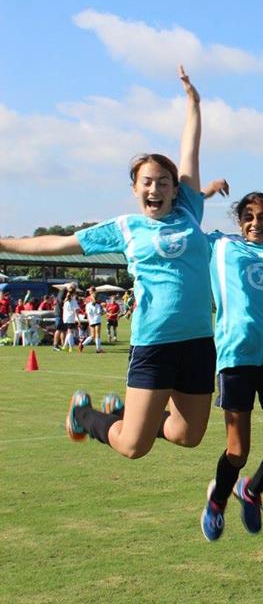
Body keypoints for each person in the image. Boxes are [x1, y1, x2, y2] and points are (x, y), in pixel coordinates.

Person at [0, 66, 217, 461]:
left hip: (199, 341)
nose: (155, 188)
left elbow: (190, 151)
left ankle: (126, 414)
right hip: (155, 342)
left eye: (163, 182)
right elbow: (57, 244)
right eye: (147, 182)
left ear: (174, 188)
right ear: (135, 188)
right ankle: (85, 414)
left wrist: (193, 103)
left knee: (188, 435)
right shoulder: (124, 228)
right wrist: (3, 242)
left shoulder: (189, 210)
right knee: (134, 446)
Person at [198, 183, 263, 542]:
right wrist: (205, 192)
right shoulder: (220, 245)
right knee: (237, 450)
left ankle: (252, 490)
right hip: (235, 358)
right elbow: (182, 221)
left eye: (262, 217)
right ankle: (216, 501)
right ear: (239, 220)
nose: (255, 222)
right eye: (249, 216)